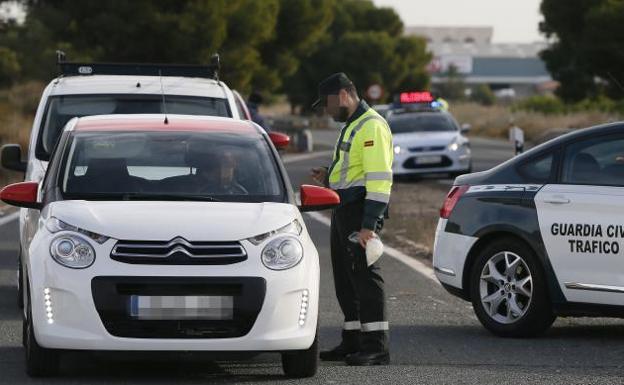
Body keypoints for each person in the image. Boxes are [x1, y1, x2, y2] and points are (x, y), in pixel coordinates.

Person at [310, 73, 393, 366]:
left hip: (360, 213)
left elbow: (379, 181)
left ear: (344, 95)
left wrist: (369, 226)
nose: (327, 110)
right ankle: (353, 339)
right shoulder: (353, 126)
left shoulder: (371, 126)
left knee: (366, 277)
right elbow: (352, 168)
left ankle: (376, 346)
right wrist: (328, 174)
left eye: (328, 104)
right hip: (344, 210)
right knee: (347, 279)